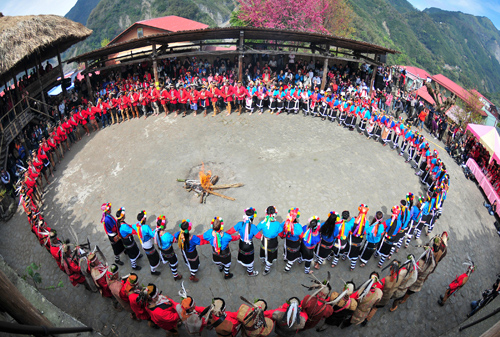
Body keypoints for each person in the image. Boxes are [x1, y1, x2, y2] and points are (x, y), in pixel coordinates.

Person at [230, 207, 260, 276]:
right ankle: (250, 272)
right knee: (250, 259)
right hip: (249, 246)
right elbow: (259, 236)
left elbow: (231, 231)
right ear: (252, 218)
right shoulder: (253, 227)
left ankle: (244, 263)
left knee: (242, 254)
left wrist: (223, 234)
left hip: (241, 243)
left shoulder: (239, 224)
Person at [257, 206, 283, 276]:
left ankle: (263, 261)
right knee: (270, 256)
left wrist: (261, 236)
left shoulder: (262, 223)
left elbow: (257, 230)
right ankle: (266, 270)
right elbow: (280, 232)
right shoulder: (277, 224)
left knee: (263, 252)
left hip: (264, 241)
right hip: (273, 242)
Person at [154, 215, 182, 281]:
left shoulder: (156, 232)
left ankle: (170, 264)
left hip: (162, 251)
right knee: (173, 264)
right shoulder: (167, 235)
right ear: (164, 226)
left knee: (167, 260)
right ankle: (175, 275)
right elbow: (174, 240)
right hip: (169, 252)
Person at [135, 210, 161, 275]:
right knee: (152, 258)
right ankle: (153, 270)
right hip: (148, 244)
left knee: (152, 255)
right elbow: (152, 235)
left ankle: (155, 265)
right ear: (144, 219)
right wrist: (157, 228)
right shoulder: (146, 227)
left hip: (143, 244)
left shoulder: (137, 225)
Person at [280, 208, 303, 272]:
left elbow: (279, 230)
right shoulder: (298, 226)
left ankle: (285, 257)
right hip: (295, 243)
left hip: (287, 240)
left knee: (286, 249)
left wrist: (283, 235)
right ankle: (287, 267)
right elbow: (301, 236)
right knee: (293, 255)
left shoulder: (285, 223)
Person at [349, 204, 369, 271]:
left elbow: (349, 228)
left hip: (350, 240)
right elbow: (366, 232)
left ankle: (343, 257)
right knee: (355, 253)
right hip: (358, 242)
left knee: (347, 250)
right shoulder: (366, 223)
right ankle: (352, 266)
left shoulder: (353, 220)